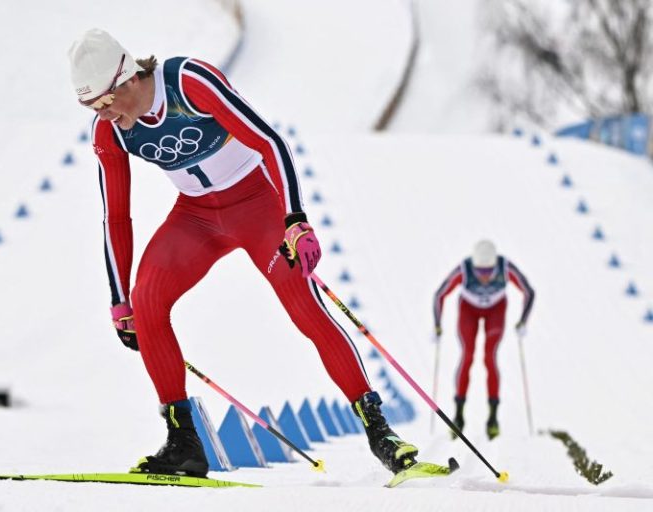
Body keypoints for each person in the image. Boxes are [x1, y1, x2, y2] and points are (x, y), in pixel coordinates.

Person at [67, 28, 419, 477]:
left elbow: (269, 141)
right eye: (91, 107)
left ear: (130, 77)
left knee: (303, 307)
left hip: (257, 206)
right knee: (147, 300)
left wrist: (295, 220)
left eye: (105, 100)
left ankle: (379, 431)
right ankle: (184, 444)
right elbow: (116, 218)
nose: (104, 113)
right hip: (196, 217)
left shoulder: (189, 82)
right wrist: (120, 300)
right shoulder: (109, 133)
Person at [433, 240, 534, 440]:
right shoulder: (464, 268)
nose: (485, 277)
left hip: (495, 310)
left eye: (489, 271)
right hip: (468, 310)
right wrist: (437, 325)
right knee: (468, 356)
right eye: (480, 271)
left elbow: (529, 291)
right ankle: (458, 416)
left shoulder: (506, 267)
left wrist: (523, 321)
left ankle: (493, 418)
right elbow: (439, 294)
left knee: (489, 358)